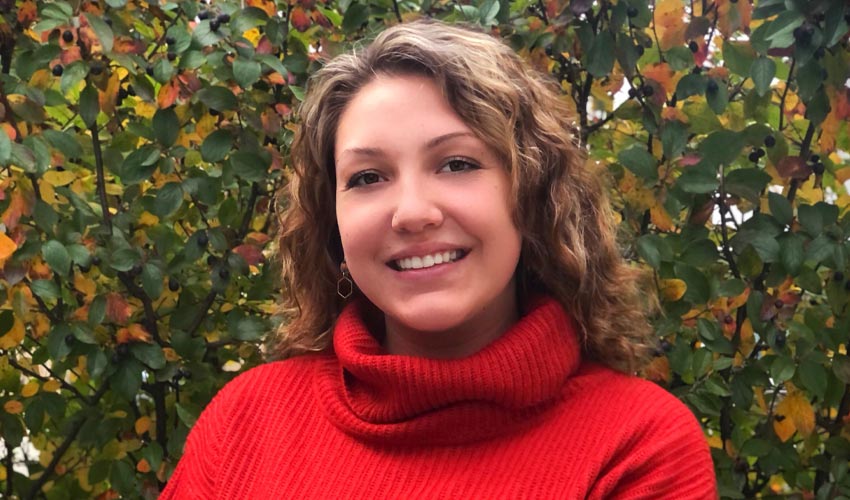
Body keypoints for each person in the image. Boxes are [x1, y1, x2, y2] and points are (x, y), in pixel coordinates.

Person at [161, 19, 717, 498]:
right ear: (333, 223)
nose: (411, 213)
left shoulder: (636, 445)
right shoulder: (247, 425)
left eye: (456, 164)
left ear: (533, 195)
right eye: (368, 177)